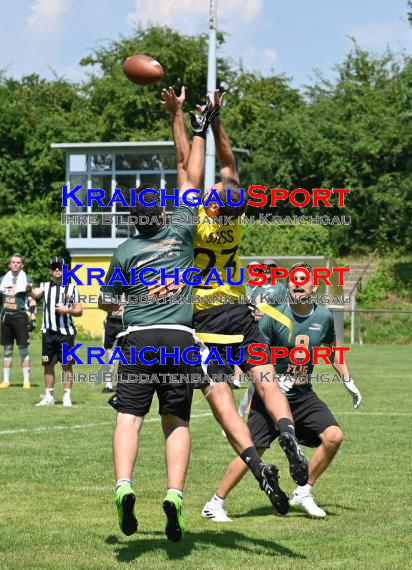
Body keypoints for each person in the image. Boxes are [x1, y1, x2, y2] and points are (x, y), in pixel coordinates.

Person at [162, 87, 308, 522]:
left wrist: (179, 118)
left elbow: (185, 165)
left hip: (203, 320)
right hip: (239, 314)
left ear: (211, 202)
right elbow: (228, 165)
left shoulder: (195, 218)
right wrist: (215, 120)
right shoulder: (234, 219)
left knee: (223, 401)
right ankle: (288, 435)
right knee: (267, 381)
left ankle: (256, 463)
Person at [98, 103, 218, 542]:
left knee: (129, 419)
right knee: (176, 422)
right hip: (180, 338)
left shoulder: (126, 251)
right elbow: (191, 175)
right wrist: (188, 122)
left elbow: (107, 302)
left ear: (133, 219)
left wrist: (125, 308)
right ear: (164, 213)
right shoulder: (183, 229)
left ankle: (124, 485)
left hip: (137, 339)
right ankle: (174, 495)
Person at [202, 262, 362, 520]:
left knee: (333, 436)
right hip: (271, 400)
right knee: (254, 451)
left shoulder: (323, 316)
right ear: (287, 285)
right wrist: (270, 380)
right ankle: (215, 503)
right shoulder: (273, 317)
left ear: (313, 286)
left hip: (302, 395)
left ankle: (303, 491)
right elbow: (253, 357)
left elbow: (333, 350)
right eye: (293, 280)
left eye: (303, 280)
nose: (297, 284)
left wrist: (348, 380)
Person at [30, 256, 83, 407]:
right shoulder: (45, 286)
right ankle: (49, 397)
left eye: (60, 267)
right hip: (48, 333)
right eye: (54, 268)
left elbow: (79, 310)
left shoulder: (72, 288)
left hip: (66, 333)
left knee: (66, 365)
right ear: (50, 271)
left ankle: (67, 396)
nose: (57, 270)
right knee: (48, 365)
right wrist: (29, 290)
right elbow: (35, 294)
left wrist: (68, 310)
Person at [0, 253, 36, 390]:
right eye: (13, 262)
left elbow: (33, 299)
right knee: (7, 350)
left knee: (23, 349)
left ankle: (26, 380)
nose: (15, 264)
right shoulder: (3, 279)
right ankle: (6, 380)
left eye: (18, 262)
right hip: (6, 316)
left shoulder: (27, 279)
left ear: (22, 265)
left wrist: (33, 317)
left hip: (20, 316)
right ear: (9, 264)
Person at [101, 304, 124, 393]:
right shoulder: (110, 291)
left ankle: (123, 383)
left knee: (126, 356)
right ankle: (108, 385)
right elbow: (102, 304)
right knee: (110, 357)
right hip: (111, 324)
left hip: (125, 323)